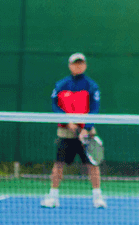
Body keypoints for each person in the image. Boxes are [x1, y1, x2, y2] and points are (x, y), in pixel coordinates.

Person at [40, 53, 106, 209]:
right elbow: (55, 107)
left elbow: (94, 109)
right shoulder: (61, 85)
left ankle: (98, 198)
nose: (78, 66)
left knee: (93, 165)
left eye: (81, 63)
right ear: (70, 65)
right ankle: (53, 197)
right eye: (75, 63)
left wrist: (86, 128)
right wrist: (67, 121)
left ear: (85, 65)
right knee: (58, 164)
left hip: (86, 133)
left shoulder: (91, 86)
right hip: (65, 133)